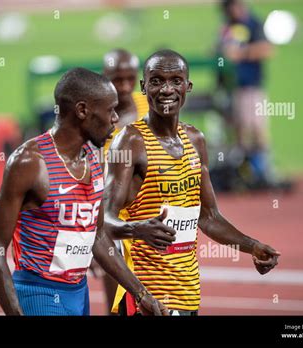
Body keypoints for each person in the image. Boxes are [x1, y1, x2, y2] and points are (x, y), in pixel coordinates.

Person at [104, 49, 281, 316]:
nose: (167, 89)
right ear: (144, 87)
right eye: (157, 80)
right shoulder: (130, 141)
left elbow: (208, 216)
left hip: (187, 294)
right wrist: (137, 229)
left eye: (176, 80)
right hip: (145, 295)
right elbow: (103, 219)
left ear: (188, 86)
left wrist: (251, 245)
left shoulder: (195, 140)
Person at [0, 67, 169, 316]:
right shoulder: (29, 163)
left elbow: (98, 235)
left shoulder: (94, 158)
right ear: (83, 111)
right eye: (110, 110)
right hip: (39, 294)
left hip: (79, 294)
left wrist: (141, 293)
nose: (116, 118)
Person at [90, 48, 148, 313]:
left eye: (129, 78)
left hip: (150, 217)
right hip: (112, 223)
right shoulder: (95, 121)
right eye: (116, 79)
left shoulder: (149, 106)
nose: (124, 87)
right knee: (118, 306)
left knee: (155, 299)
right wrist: (91, 240)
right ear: (104, 77)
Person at [218, 0, 287, 189]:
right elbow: (220, 52)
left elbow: (267, 49)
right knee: (239, 130)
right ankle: (244, 173)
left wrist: (241, 53)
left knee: (257, 128)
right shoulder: (227, 27)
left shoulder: (254, 24)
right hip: (233, 88)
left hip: (252, 87)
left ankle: (264, 170)